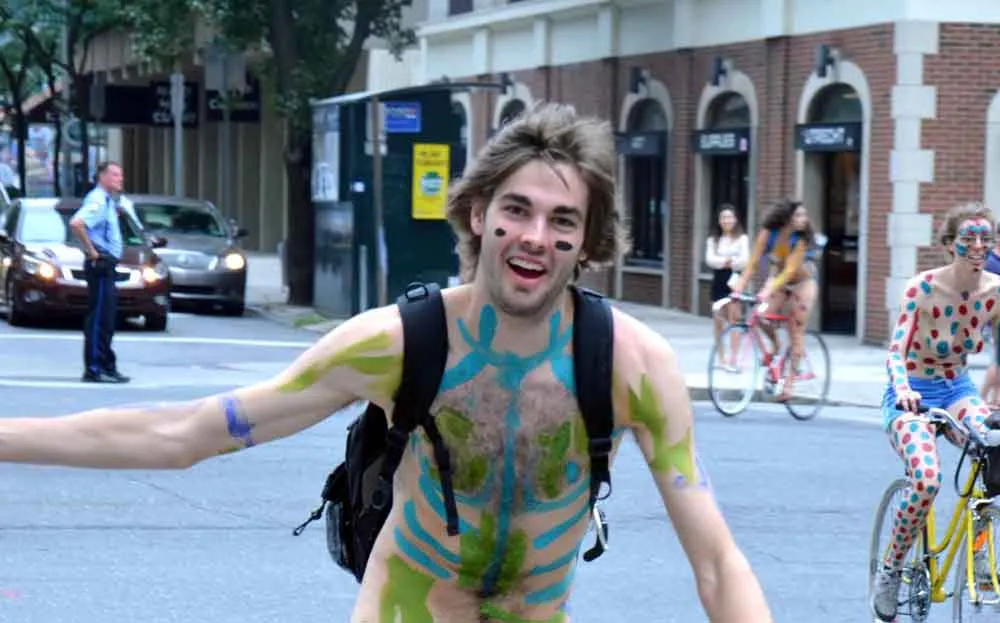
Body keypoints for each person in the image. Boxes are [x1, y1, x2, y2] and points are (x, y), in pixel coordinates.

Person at [0, 103, 773, 622]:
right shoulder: (400, 342)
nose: (536, 236)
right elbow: (184, 434)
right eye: (517, 209)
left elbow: (716, 563)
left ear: (589, 239)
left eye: (562, 218)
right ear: (479, 213)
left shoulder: (630, 365)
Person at [870, 202, 1000, 621]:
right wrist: (903, 389)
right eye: (968, 238)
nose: (978, 245)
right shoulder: (922, 288)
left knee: (993, 450)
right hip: (913, 392)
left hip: (957, 388)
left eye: (986, 238)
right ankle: (891, 568)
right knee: (927, 479)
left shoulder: (995, 291)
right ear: (949, 244)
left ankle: (980, 549)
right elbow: (895, 351)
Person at [731, 199, 817, 400]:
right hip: (779, 281)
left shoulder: (800, 239)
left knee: (795, 331)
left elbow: (789, 271)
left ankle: (789, 385)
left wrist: (768, 289)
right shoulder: (769, 233)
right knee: (760, 315)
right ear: (786, 218)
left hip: (802, 284)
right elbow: (752, 264)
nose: (803, 219)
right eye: (798, 215)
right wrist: (739, 287)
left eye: (804, 215)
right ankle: (776, 345)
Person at [69, 161, 129, 384]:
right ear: (102, 177)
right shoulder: (97, 200)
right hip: (101, 264)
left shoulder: (109, 201)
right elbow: (77, 223)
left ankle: (107, 365)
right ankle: (94, 367)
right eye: (115, 175)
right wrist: (93, 252)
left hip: (108, 265)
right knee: (99, 319)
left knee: (107, 318)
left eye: (120, 175)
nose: (120, 179)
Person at [705, 204, 749, 370]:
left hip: (735, 281)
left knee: (734, 319)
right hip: (719, 280)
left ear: (735, 219)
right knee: (718, 320)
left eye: (730, 217)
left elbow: (744, 260)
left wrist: (725, 261)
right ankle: (721, 357)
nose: (727, 220)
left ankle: (733, 358)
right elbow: (710, 260)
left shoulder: (742, 238)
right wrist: (728, 261)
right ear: (719, 220)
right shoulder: (713, 240)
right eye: (723, 217)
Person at [980, 223, 1000, 406]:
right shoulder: (991, 263)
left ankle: (996, 399)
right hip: (992, 320)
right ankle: (982, 399)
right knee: (997, 361)